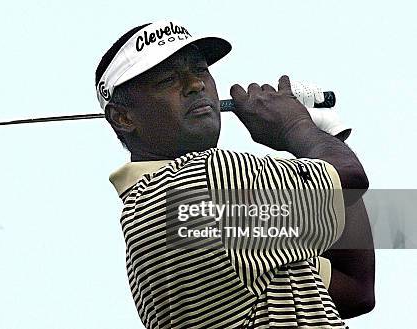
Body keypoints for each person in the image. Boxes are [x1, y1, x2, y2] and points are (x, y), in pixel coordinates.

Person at [96, 20, 375, 328]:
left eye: (200, 69)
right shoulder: (205, 179)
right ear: (122, 117)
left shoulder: (145, 212)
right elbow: (350, 176)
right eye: (167, 80)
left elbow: (356, 289)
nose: (195, 85)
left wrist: (325, 139)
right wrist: (296, 127)